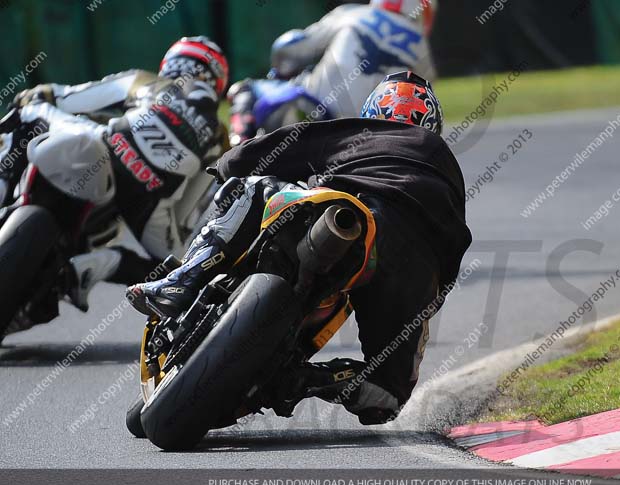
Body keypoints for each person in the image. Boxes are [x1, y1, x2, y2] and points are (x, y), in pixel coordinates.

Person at [128, 71, 471, 425]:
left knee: (257, 187)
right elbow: (452, 256)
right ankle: (306, 380)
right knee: (387, 396)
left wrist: (230, 164)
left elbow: (293, 141)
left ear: (375, 112)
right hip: (414, 275)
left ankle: (184, 277)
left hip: (353, 215)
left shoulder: (363, 131)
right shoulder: (447, 170)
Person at [2, 36, 229, 311]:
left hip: (104, 148)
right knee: (174, 270)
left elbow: (65, 97)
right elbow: (185, 211)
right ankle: (103, 263)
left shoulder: (144, 80)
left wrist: (40, 95)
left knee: (30, 105)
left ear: (171, 64)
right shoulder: (219, 136)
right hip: (149, 202)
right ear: (218, 82)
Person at [228, 0, 438, 144]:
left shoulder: (353, 14)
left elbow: (290, 46)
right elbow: (421, 108)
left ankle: (240, 144)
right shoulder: (423, 51)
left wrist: (282, 71)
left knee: (245, 88)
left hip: (314, 106)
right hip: (367, 138)